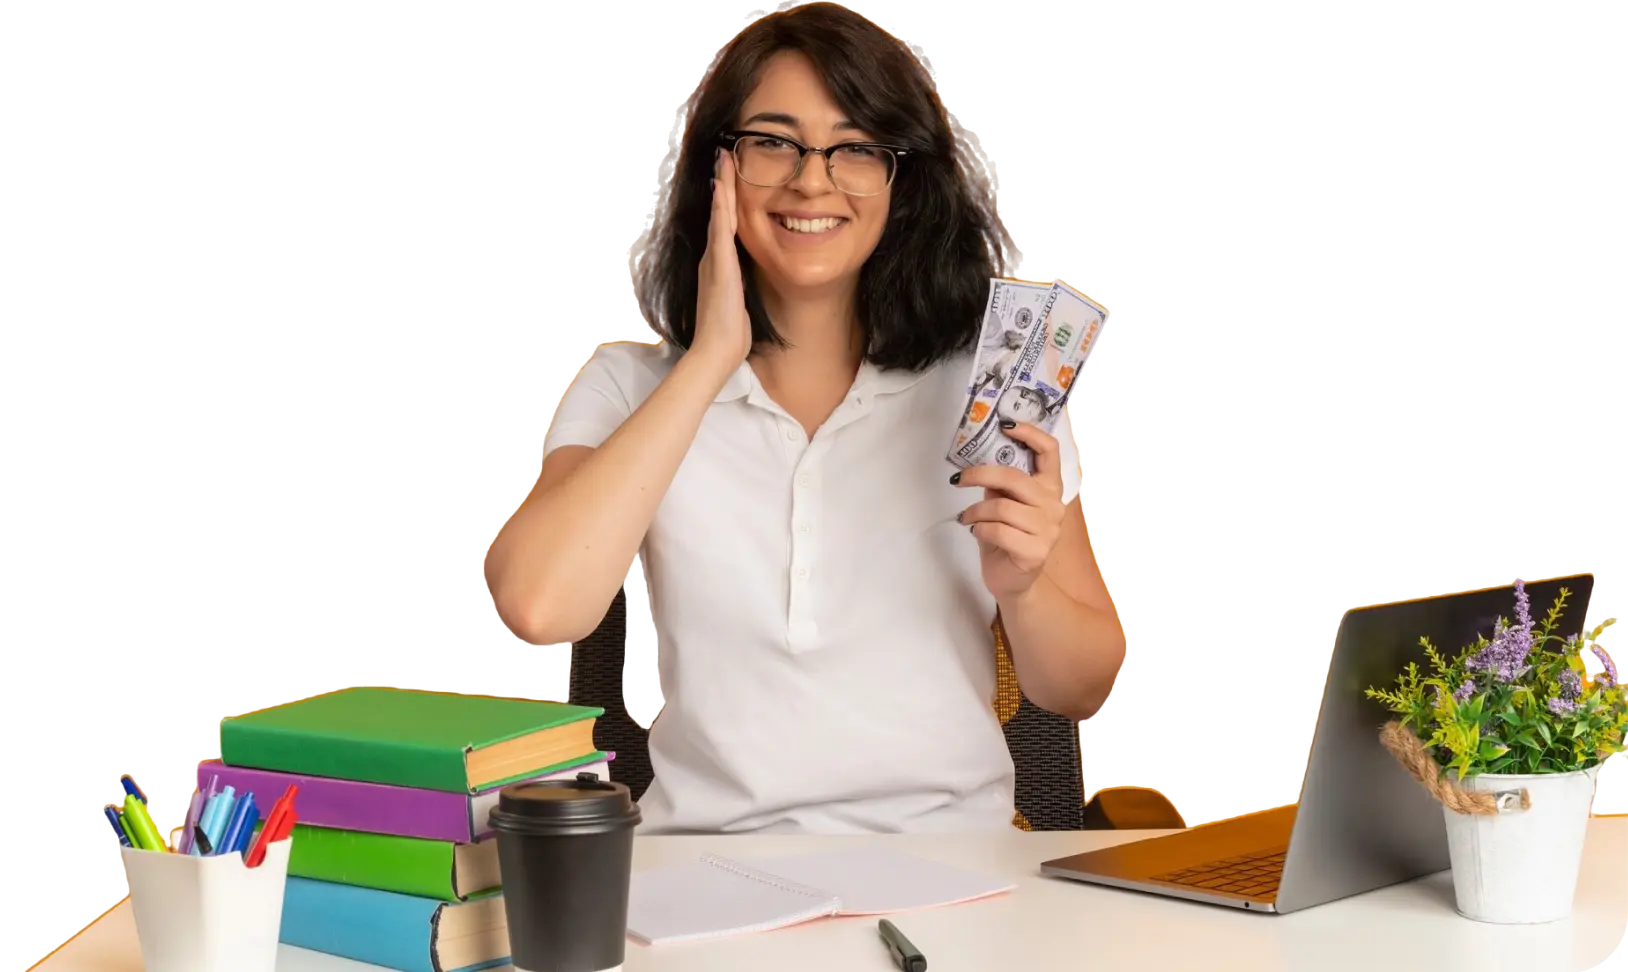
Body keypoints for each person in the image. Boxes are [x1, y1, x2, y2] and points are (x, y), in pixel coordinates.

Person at [483, 1, 1125, 836]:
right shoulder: (626, 383)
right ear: (717, 168)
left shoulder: (988, 385)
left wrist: (1025, 588)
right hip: (708, 870)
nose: (812, 180)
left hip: (956, 869)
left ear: (902, 179)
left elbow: (1084, 687)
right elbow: (537, 607)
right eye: (772, 142)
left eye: (856, 147)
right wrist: (711, 357)